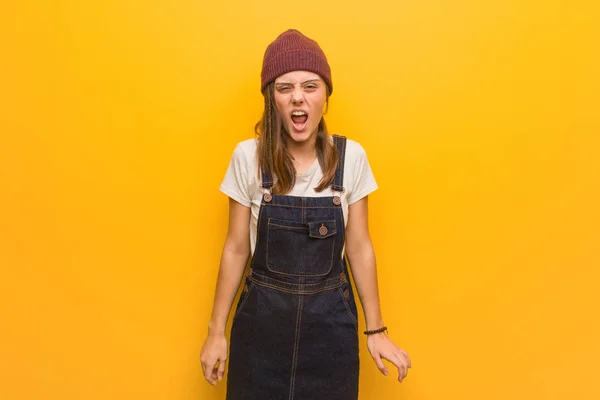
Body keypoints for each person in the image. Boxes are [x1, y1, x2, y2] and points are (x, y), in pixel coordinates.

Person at [200, 29, 411, 400]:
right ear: (271, 99)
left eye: (310, 86)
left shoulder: (351, 158)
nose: (298, 97)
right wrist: (215, 334)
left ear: (325, 95)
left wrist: (376, 331)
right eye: (285, 88)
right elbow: (235, 249)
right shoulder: (247, 157)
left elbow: (360, 247)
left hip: (331, 334)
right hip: (260, 333)